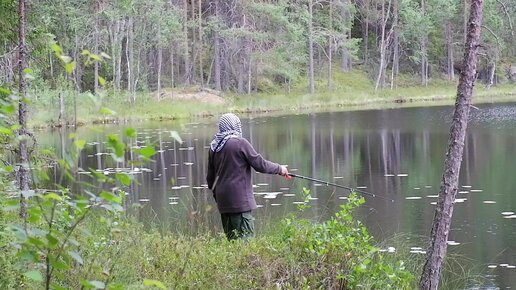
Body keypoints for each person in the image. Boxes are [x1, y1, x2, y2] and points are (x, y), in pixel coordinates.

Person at [207, 113, 289, 240]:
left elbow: (210, 180)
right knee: (246, 242)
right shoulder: (240, 143)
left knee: (232, 242)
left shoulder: (214, 147)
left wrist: (218, 197)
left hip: (223, 202)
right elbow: (260, 164)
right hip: (239, 201)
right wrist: (280, 169)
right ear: (235, 126)